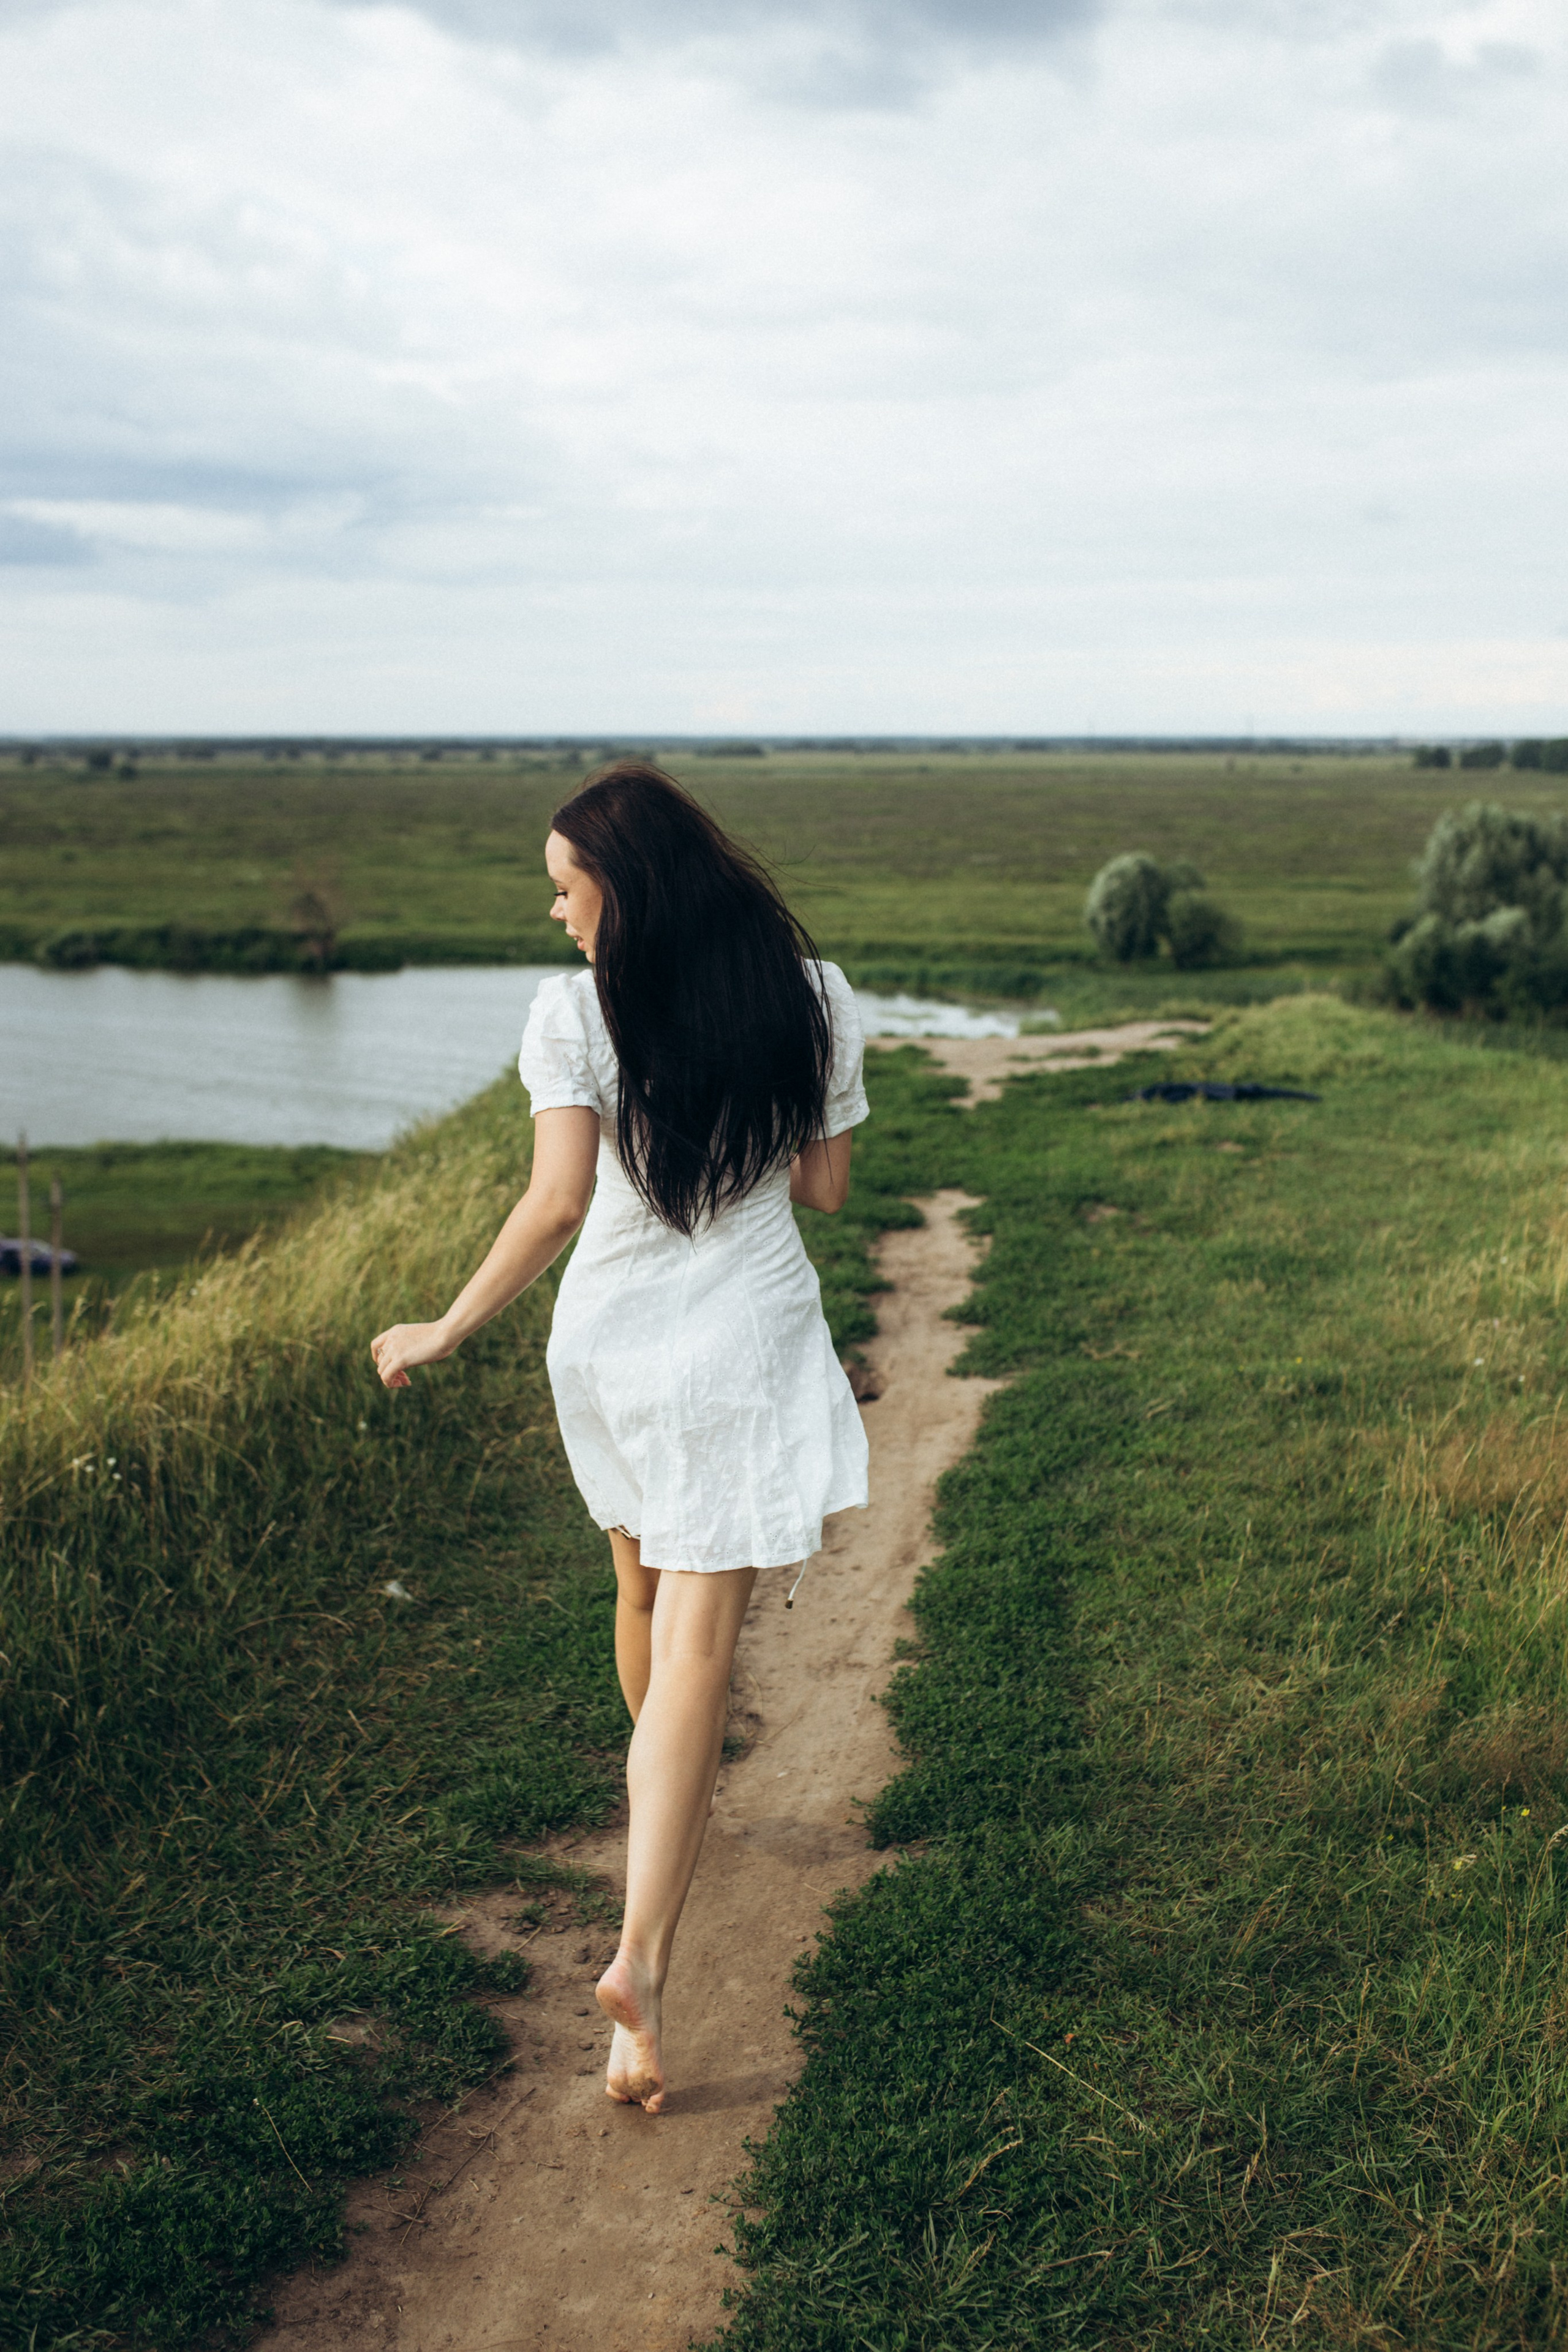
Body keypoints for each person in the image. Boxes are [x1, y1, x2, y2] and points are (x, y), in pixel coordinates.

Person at [370, 760, 869, 2113]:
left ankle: (655, 1900)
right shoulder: (811, 996)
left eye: (566, 891)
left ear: (625, 889)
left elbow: (552, 1204)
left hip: (609, 1337)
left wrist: (443, 1327)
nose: (557, 917)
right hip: (738, 1338)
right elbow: (823, 1190)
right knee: (704, 1639)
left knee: (639, 1592)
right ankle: (642, 1950)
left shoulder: (566, 1018)